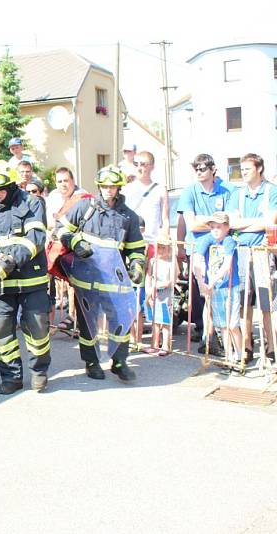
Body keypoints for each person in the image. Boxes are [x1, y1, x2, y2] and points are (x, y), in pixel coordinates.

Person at [54, 165, 146, 382]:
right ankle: (92, 362)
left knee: (121, 321)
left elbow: (136, 248)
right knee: (88, 323)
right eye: (104, 186)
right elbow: (61, 228)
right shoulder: (85, 207)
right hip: (87, 280)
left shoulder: (128, 216)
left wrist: (137, 265)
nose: (107, 190)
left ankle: (119, 362)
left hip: (114, 281)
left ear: (118, 187)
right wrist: (75, 241)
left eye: (112, 186)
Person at [0, 160, 51, 394]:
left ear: (13, 186)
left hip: (31, 281)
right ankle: (11, 377)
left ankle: (39, 372)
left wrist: (11, 260)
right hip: (1, 285)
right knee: (2, 334)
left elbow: (36, 237)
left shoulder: (32, 203)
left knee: (38, 330)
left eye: (3, 189)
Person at [177, 154, 232, 353]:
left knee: (222, 292)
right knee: (202, 294)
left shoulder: (227, 189)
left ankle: (222, 334)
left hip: (221, 250)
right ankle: (206, 336)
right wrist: (217, 223)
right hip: (197, 249)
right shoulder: (190, 191)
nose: (198, 172)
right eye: (196, 169)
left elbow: (231, 221)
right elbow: (190, 223)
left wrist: (206, 221)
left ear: (213, 169)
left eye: (202, 169)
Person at [228, 152, 277, 363]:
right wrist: (254, 222)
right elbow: (232, 223)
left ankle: (271, 346)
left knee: (267, 303)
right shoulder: (237, 194)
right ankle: (247, 345)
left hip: (263, 253)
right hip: (241, 251)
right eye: (242, 169)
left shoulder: (271, 192)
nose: (244, 173)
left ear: (259, 169)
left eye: (247, 169)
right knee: (244, 301)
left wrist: (245, 222)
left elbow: (269, 222)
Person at [123, 150, 170, 350]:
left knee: (155, 292)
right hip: (134, 244)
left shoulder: (160, 189)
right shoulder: (127, 189)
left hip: (153, 245)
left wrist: (165, 241)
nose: (141, 167)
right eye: (138, 163)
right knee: (135, 292)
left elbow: (165, 219)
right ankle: (136, 339)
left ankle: (159, 340)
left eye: (145, 163)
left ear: (152, 165)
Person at [191, 212, 242, 362]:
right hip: (215, 288)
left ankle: (239, 355)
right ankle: (229, 356)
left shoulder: (229, 241)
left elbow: (227, 265)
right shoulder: (207, 239)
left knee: (232, 324)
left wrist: (212, 281)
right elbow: (197, 262)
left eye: (218, 227)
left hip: (229, 286)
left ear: (226, 227)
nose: (215, 230)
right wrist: (201, 282)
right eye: (212, 227)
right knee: (223, 325)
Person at [46, 167, 90, 331]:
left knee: (76, 286)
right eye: (59, 181)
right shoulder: (53, 197)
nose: (63, 184)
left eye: (66, 180)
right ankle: (66, 318)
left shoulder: (82, 197)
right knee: (60, 286)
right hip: (57, 246)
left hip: (77, 247)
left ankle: (76, 318)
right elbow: (49, 222)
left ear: (73, 181)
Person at [145, 241, 176, 356]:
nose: (161, 250)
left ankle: (166, 346)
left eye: (163, 248)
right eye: (159, 248)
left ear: (169, 249)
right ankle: (154, 344)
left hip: (165, 295)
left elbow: (172, 280)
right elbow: (149, 276)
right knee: (155, 321)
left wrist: (157, 286)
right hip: (153, 294)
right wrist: (149, 291)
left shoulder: (171, 263)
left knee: (165, 321)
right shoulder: (153, 261)